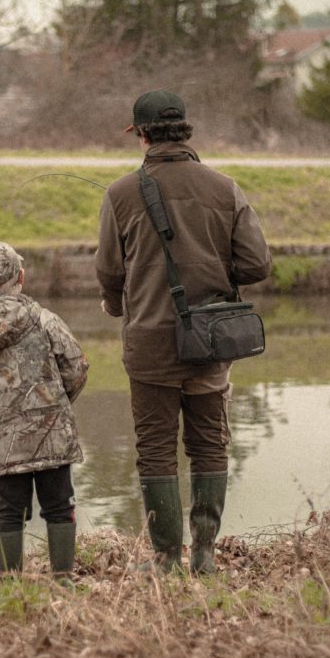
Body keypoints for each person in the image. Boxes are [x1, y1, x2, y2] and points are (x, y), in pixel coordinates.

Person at [96, 90, 272, 574]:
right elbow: (257, 264)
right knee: (209, 443)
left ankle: (167, 559)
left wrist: (117, 306)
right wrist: (216, 275)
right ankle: (206, 555)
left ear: (142, 135)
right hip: (212, 340)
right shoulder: (225, 188)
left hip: (149, 342)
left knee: (155, 448)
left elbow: (109, 272)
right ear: (185, 131)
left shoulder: (119, 194)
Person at [0, 241, 88, 579]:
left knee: (9, 511)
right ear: (22, 277)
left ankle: (9, 584)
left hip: (0, 441)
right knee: (60, 508)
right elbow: (76, 369)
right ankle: (63, 582)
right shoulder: (44, 320)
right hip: (50, 434)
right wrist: (52, 405)